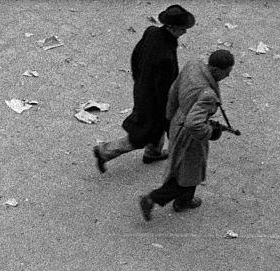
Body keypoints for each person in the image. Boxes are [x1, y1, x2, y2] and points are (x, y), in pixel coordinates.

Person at [92, 5, 195, 173]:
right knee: (142, 134)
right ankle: (105, 151)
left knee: (155, 127)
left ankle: (153, 152)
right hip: (153, 101)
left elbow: (135, 56)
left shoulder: (152, 32)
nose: (185, 32)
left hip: (142, 88)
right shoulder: (166, 58)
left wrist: (138, 78)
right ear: (172, 28)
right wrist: (170, 110)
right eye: (183, 29)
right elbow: (163, 91)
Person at [139, 49, 235, 219]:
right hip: (190, 135)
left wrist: (169, 119)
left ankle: (183, 201)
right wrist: (211, 132)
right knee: (191, 172)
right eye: (226, 72)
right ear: (215, 70)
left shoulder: (193, 66)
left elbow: (173, 91)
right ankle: (154, 199)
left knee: (183, 168)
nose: (227, 76)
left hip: (178, 120)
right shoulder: (208, 95)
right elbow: (194, 123)